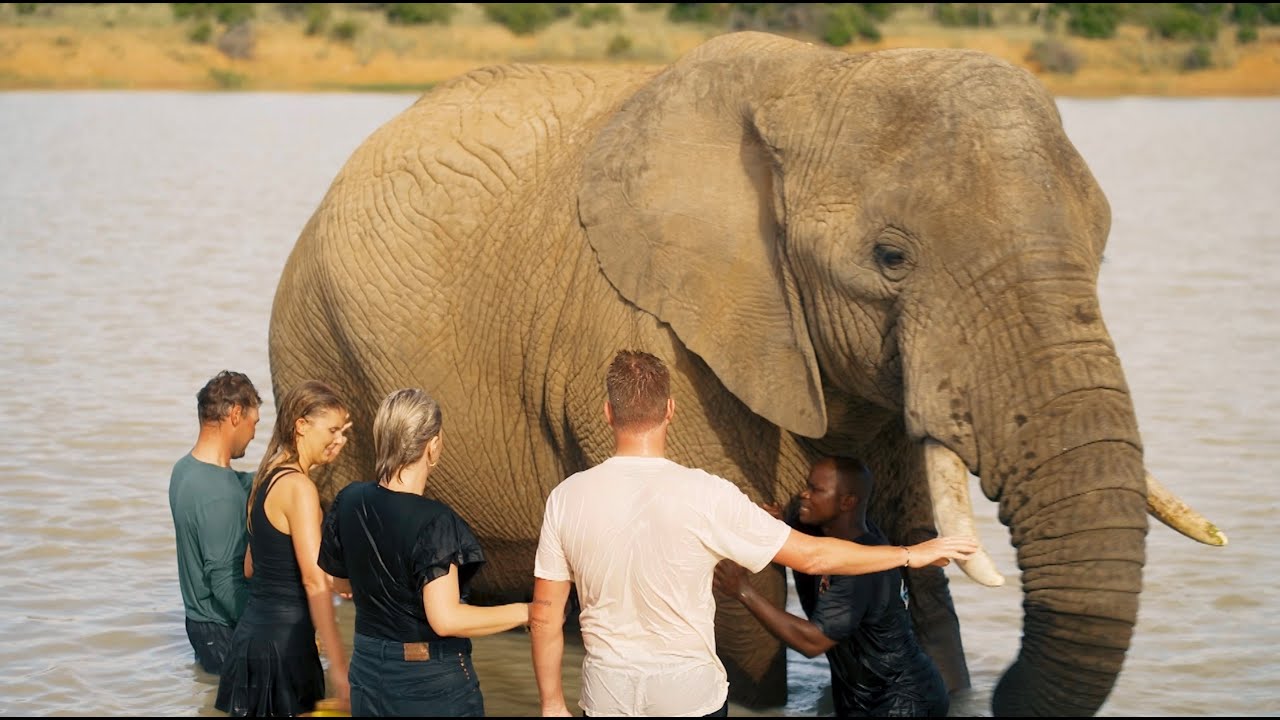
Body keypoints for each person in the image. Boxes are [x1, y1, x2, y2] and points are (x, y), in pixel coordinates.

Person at [530, 350, 977, 718]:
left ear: (608, 413)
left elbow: (546, 616)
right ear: (670, 410)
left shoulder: (567, 498)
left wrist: (552, 704)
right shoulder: (707, 494)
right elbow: (815, 558)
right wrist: (907, 554)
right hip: (689, 693)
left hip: (609, 691)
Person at [318, 387, 530, 716]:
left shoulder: (348, 500)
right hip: (429, 681)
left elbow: (338, 583)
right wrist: (526, 612)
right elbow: (445, 619)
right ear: (432, 446)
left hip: (367, 670)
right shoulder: (436, 522)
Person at [714, 457, 951, 717]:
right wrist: (781, 529)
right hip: (862, 696)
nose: (804, 494)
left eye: (816, 490)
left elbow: (812, 642)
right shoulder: (839, 538)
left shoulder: (860, 568)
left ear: (847, 502)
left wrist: (743, 591)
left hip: (901, 702)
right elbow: (808, 557)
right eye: (807, 486)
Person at [216, 379, 353, 717]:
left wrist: (333, 581)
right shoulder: (299, 488)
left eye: (343, 432)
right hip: (285, 648)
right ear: (302, 426)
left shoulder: (266, 478)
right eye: (333, 430)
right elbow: (312, 582)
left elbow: (253, 567)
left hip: (250, 644)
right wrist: (339, 666)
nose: (340, 440)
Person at [169, 370, 262, 675]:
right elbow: (224, 584)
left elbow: (233, 483)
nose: (253, 433)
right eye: (254, 423)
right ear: (236, 414)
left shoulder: (184, 470)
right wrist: (272, 629)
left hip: (198, 624)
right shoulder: (219, 496)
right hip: (222, 630)